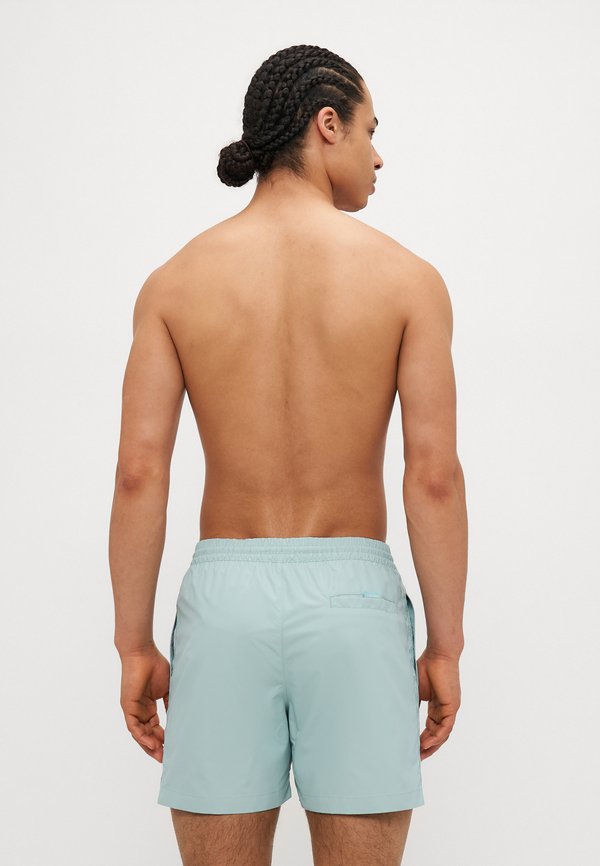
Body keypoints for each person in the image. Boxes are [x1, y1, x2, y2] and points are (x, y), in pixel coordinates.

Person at [109, 43, 467, 866]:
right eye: (371, 131)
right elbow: (434, 480)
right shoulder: (407, 280)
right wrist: (445, 647)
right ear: (327, 125)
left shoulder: (174, 283)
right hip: (354, 603)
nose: (379, 155)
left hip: (224, 603)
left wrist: (134, 645)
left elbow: (139, 475)